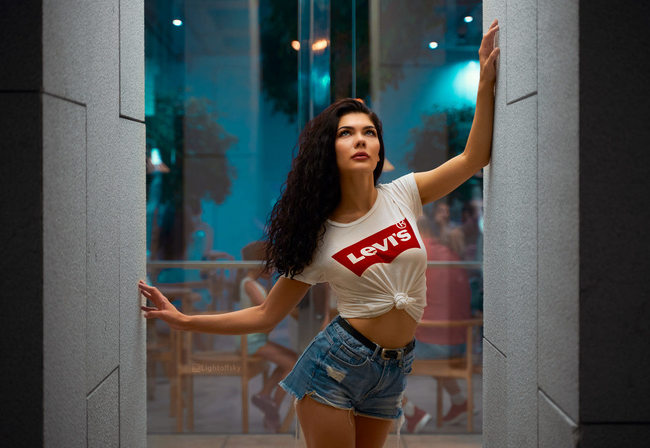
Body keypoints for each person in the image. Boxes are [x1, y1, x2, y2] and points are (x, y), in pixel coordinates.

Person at [139, 20, 499, 448]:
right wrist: (184, 320)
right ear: (330, 149)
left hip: (395, 367)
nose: (360, 139)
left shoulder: (405, 193)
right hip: (335, 367)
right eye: (346, 133)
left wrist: (485, 80)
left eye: (369, 132)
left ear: (381, 149)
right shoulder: (318, 236)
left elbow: (475, 156)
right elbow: (265, 315)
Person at [400, 215, 473, 433]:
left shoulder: (418, 254)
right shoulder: (448, 253)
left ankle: (411, 413)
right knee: (423, 335)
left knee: (375, 357)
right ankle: (460, 402)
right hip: (461, 343)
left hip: (437, 343)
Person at [238, 241, 298, 432]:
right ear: (258, 262)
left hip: (258, 340)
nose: (272, 267)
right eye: (269, 262)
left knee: (292, 360)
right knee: (292, 364)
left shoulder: (254, 284)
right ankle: (272, 408)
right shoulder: (249, 284)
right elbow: (268, 310)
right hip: (251, 342)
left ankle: (265, 395)